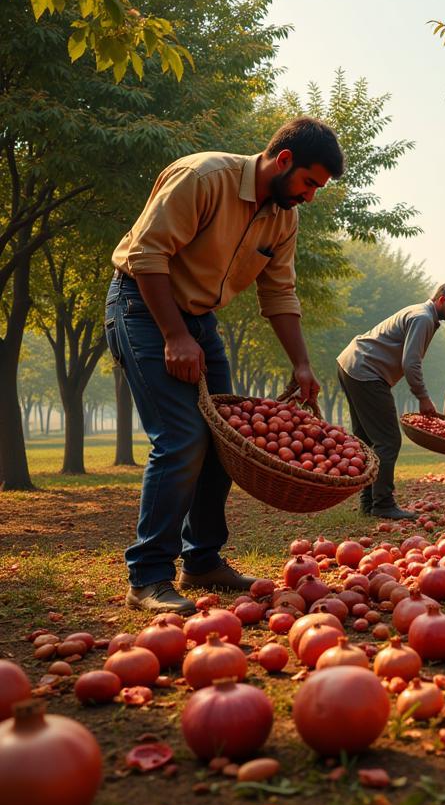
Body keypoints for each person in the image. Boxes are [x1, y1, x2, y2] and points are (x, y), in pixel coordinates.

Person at [106, 117, 344, 613]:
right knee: (181, 439)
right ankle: (148, 576)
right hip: (144, 307)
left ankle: (202, 560)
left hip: (199, 320)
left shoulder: (283, 218)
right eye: (308, 183)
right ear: (283, 161)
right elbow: (148, 254)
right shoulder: (202, 178)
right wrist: (173, 335)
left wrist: (301, 364)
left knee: (224, 441)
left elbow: (278, 291)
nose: (310, 197)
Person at [337, 283, 445, 518]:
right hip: (367, 370)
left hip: (352, 363)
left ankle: (369, 502)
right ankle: (384, 504)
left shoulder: (419, 313)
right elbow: (411, 363)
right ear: (441, 300)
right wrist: (423, 397)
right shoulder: (423, 318)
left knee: (366, 440)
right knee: (388, 440)